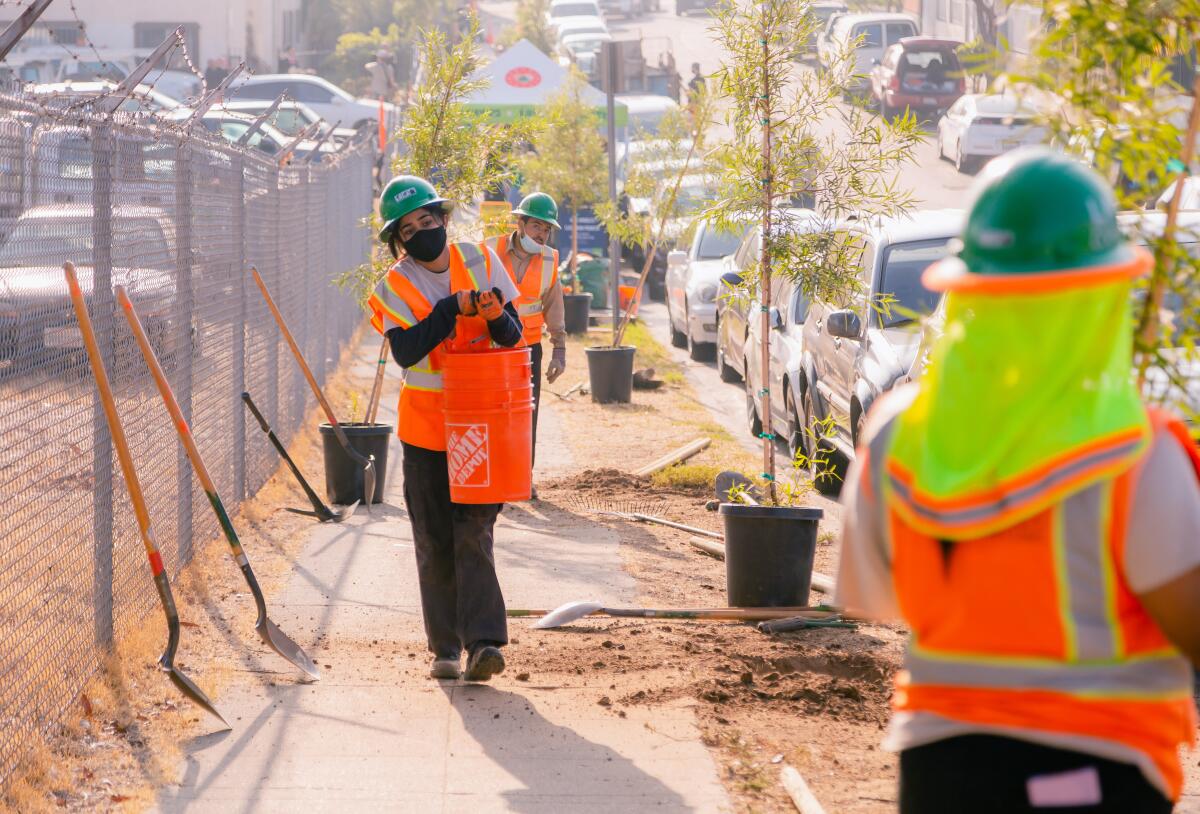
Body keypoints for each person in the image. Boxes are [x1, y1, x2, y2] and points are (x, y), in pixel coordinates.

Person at [836, 148, 1200, 814]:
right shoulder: (1136, 456)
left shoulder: (896, 435)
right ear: (1104, 294)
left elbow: (873, 595)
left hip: (939, 772)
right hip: (1100, 774)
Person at [367, 176, 524, 683]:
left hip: (480, 426)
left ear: (443, 219)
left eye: (427, 221)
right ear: (398, 240)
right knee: (433, 539)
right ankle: (446, 649)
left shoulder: (480, 259)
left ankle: (484, 644)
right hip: (427, 430)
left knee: (474, 533)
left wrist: (496, 314)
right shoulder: (393, 285)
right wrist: (446, 311)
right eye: (408, 229)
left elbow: (513, 335)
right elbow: (407, 352)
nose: (421, 232)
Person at [482, 193, 567, 499]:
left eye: (546, 229)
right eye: (535, 226)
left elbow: (554, 305)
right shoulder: (490, 249)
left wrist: (559, 348)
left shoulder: (549, 259)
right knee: (491, 414)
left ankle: (520, 479)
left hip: (528, 349)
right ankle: (492, 478)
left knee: (524, 417)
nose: (541, 234)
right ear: (519, 223)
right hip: (489, 347)